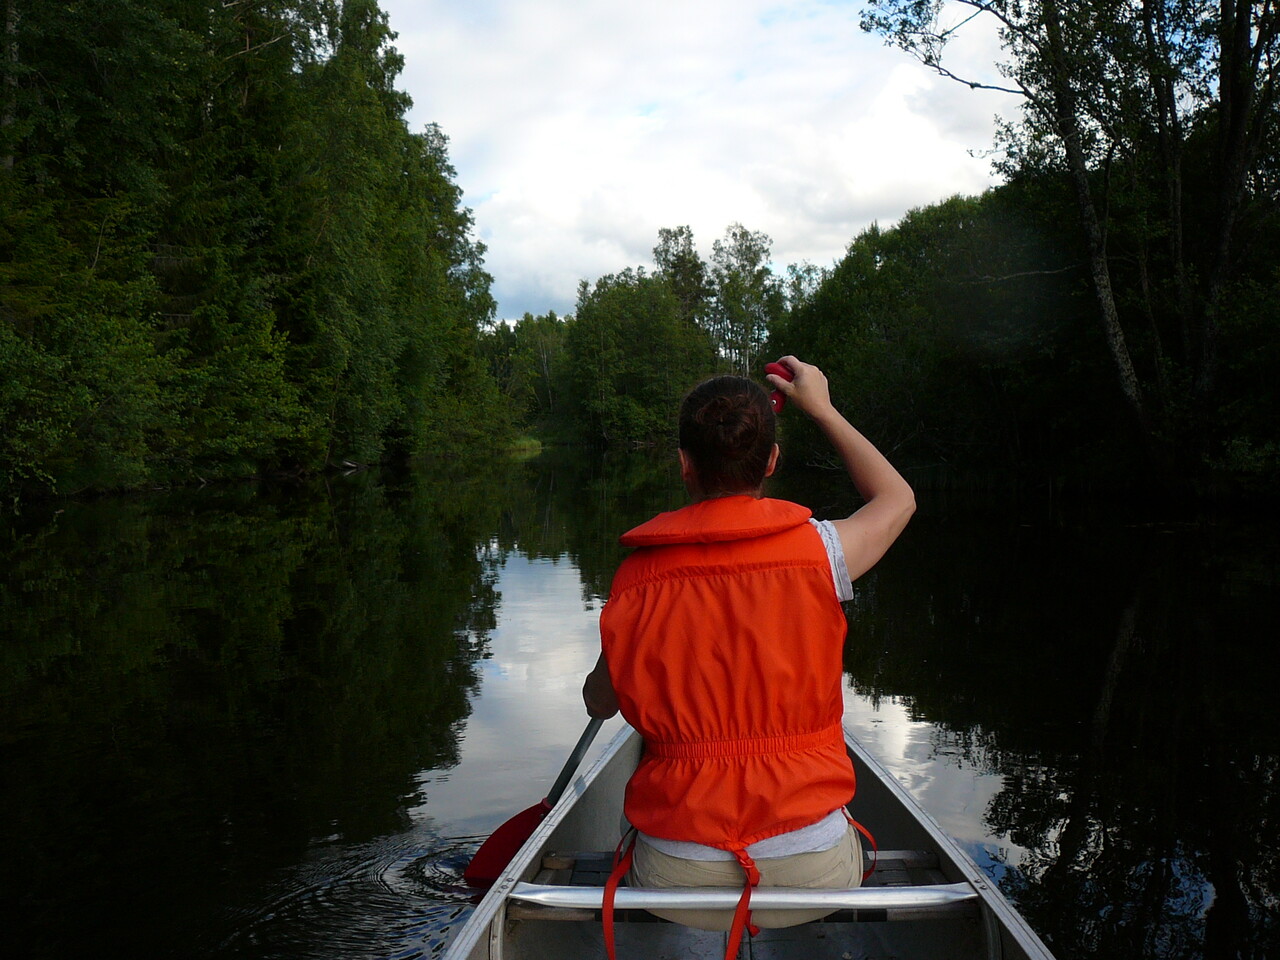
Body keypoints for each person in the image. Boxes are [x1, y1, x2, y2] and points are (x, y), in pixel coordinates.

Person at [582, 356, 915, 955]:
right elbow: (897, 497)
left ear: (684, 465)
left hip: (676, 875)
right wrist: (823, 409)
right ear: (772, 462)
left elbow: (600, 701)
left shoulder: (635, 579)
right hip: (812, 868)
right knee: (837, 850)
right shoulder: (823, 552)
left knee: (648, 839)